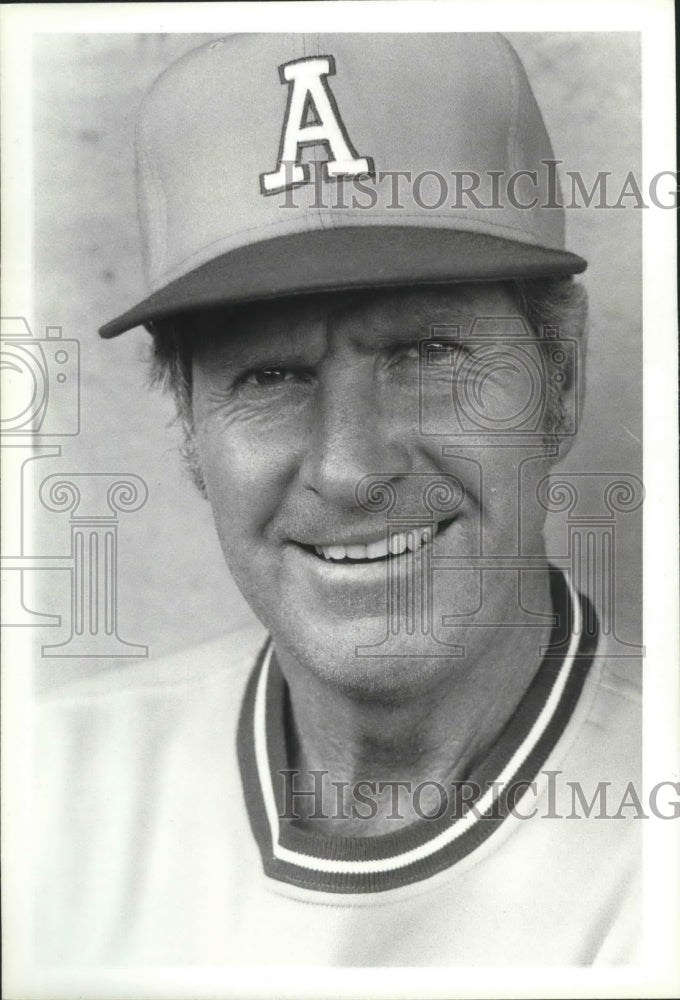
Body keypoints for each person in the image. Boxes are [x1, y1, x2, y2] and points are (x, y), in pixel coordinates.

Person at [37, 33, 640, 967]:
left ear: (559, 380)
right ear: (190, 427)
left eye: (426, 354)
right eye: (271, 374)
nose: (351, 467)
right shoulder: (42, 800)